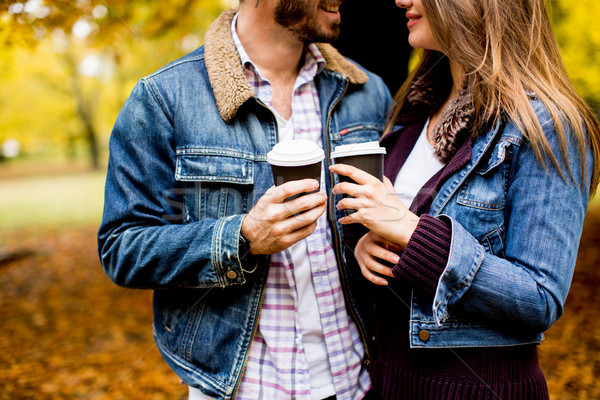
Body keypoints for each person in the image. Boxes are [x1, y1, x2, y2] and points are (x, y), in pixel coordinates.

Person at [98, 0, 392, 399]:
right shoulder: (165, 98)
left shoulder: (368, 92)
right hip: (243, 387)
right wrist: (243, 238)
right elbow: (123, 248)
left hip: (360, 380)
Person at [329, 0, 600, 398]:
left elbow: (540, 298)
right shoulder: (415, 109)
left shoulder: (547, 126)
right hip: (386, 382)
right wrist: (369, 245)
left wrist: (411, 233)